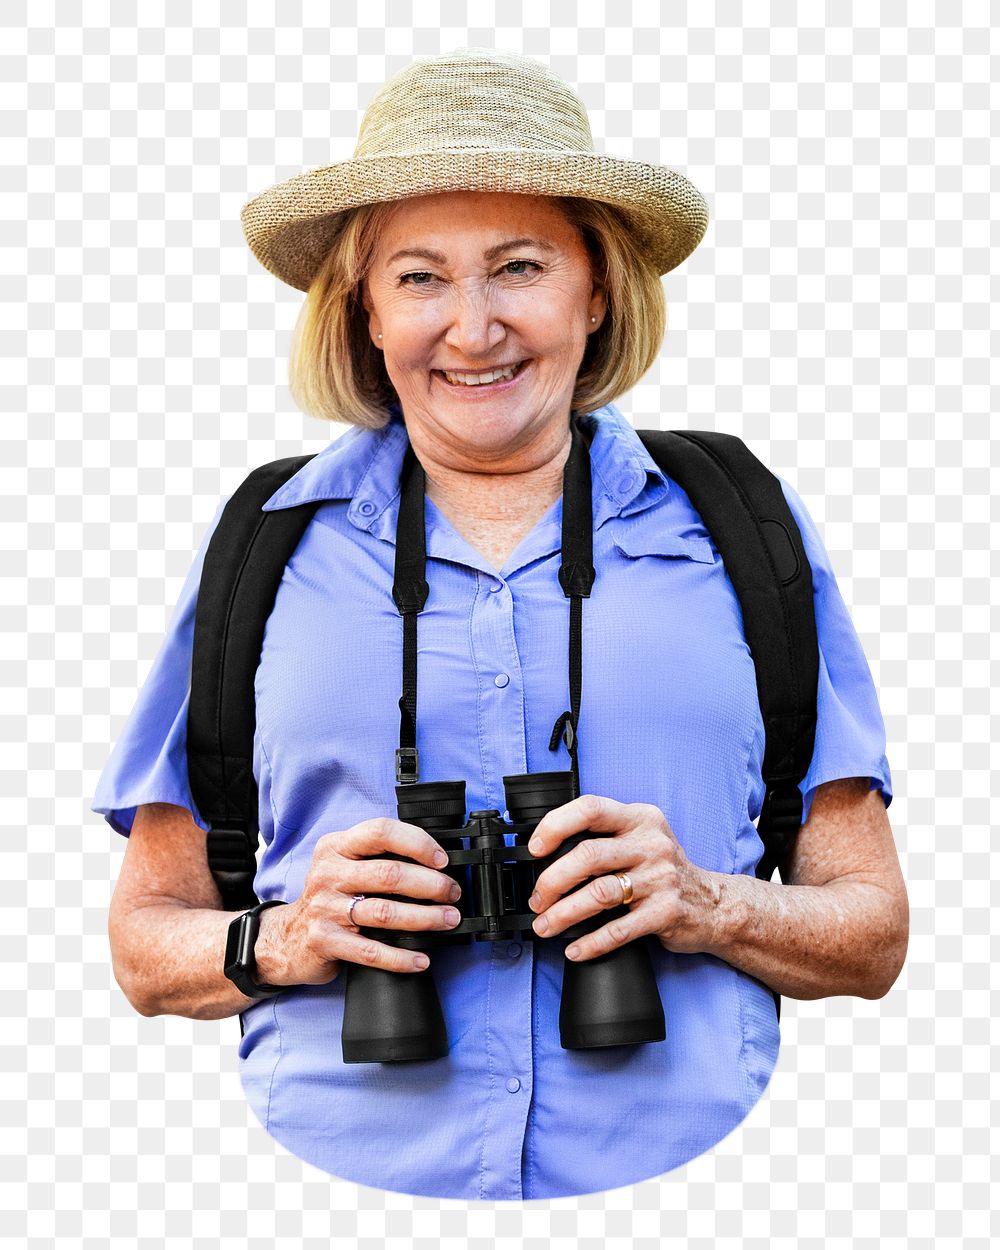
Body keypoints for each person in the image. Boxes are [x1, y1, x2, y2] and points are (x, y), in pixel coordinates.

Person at [91, 47, 908, 1201]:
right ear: (364, 311)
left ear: (598, 288)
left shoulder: (738, 527)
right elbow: (145, 941)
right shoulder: (264, 546)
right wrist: (289, 935)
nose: (473, 328)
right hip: (325, 1187)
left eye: (518, 266)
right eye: (420, 277)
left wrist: (706, 899)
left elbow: (871, 929)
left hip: (697, 1186)